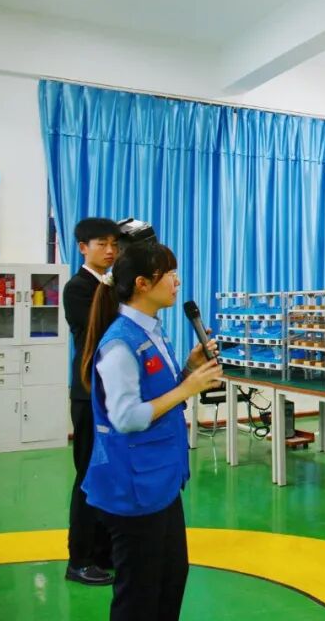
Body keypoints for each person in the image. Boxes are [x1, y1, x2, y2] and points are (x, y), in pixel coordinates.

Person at [80, 242, 222, 621]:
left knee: (171, 579)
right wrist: (187, 388)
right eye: (169, 274)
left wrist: (189, 369)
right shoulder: (119, 344)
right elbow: (126, 417)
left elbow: (159, 394)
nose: (177, 282)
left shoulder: (154, 331)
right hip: (133, 488)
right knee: (139, 596)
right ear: (142, 284)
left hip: (161, 481)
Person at [64, 217, 119, 587]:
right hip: (88, 393)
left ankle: (103, 551)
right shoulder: (78, 288)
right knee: (87, 475)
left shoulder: (110, 285)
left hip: (111, 392)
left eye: (114, 244)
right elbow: (100, 331)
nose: (110, 251)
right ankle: (79, 559)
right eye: (102, 244)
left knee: (108, 474)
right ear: (83, 248)